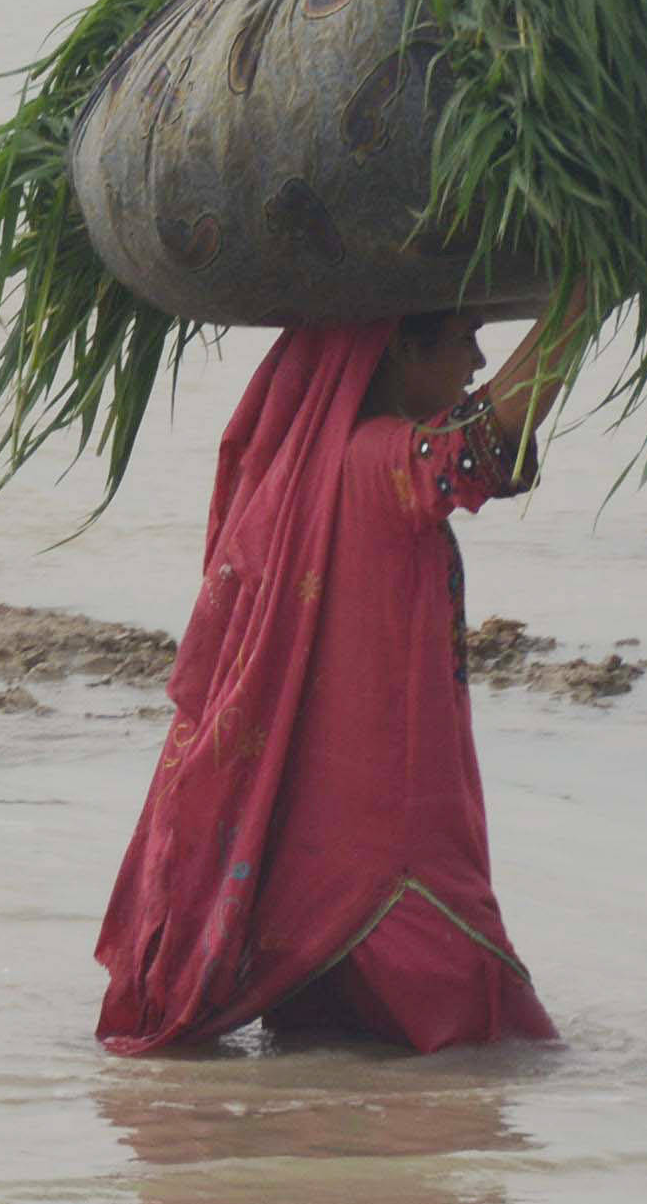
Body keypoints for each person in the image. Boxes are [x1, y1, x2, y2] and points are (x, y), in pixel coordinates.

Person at [92, 307, 567, 1057]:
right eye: (463, 339)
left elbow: (481, 441)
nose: (478, 360)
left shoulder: (320, 466)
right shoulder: (373, 460)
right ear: (402, 351)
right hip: (393, 840)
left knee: (331, 1051)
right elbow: (483, 442)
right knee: (492, 1053)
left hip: (332, 828)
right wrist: (582, 308)